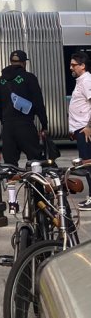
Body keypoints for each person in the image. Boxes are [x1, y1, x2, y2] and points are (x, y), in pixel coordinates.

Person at [0, 50, 48, 165]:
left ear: (10, 62)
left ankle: (11, 182)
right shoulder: (29, 78)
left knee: (10, 164)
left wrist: (4, 120)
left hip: (8, 128)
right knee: (35, 161)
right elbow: (38, 102)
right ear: (24, 63)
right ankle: (34, 182)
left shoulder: (1, 80)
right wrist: (44, 124)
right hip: (25, 125)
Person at [68, 51, 91, 211]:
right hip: (80, 128)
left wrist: (89, 126)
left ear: (82, 66)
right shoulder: (81, 81)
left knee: (88, 164)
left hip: (86, 130)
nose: (71, 68)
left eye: (73, 65)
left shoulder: (87, 81)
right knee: (87, 163)